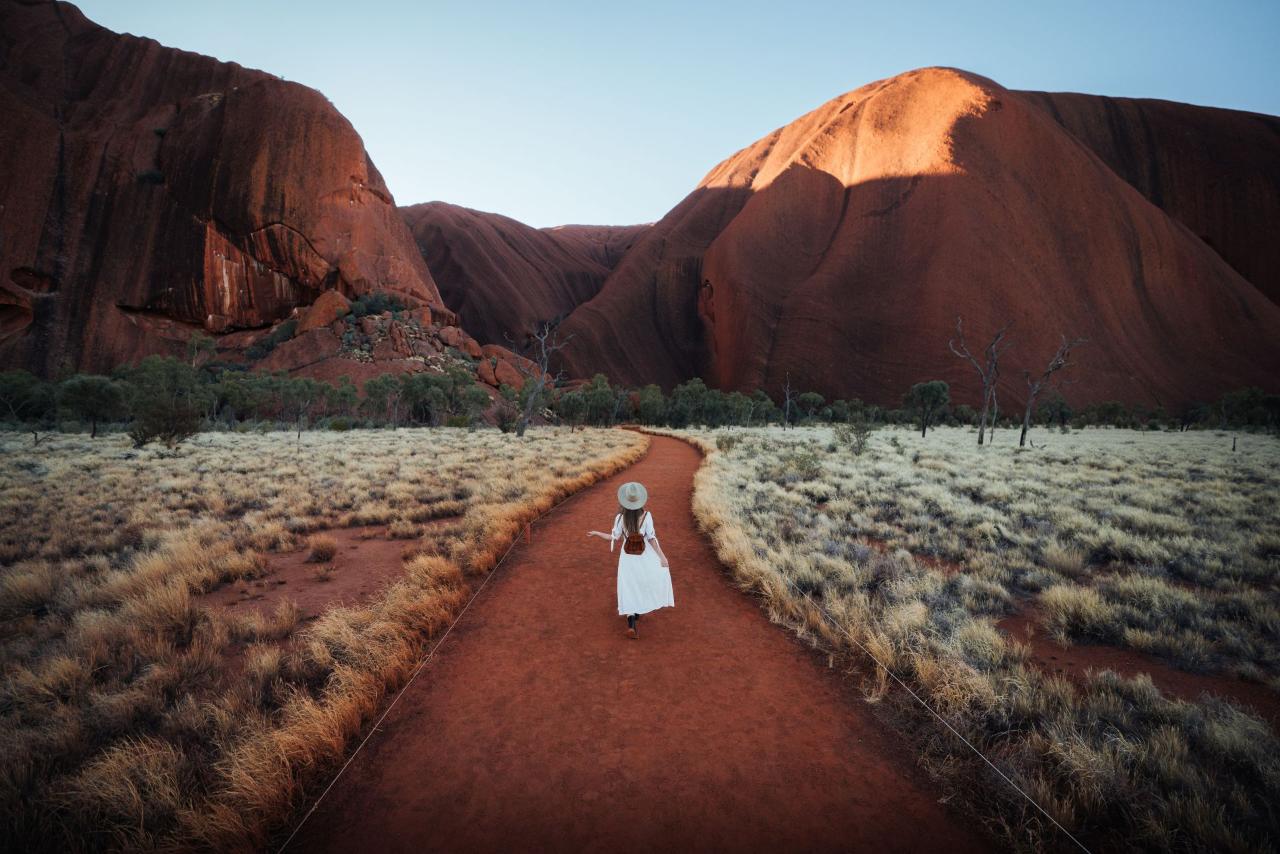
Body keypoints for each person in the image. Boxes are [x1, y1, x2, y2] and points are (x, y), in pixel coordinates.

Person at [586, 481, 673, 638]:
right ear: (640, 500)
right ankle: (638, 609)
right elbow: (652, 538)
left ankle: (631, 622)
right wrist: (662, 557)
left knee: (628, 586)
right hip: (643, 556)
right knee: (643, 582)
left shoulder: (620, 518)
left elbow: (614, 537)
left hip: (627, 558)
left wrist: (598, 533)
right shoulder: (647, 516)